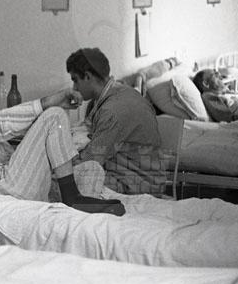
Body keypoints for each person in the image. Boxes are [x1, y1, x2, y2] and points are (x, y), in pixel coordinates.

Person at [0, 74, 125, 215]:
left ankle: (77, 209)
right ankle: (72, 198)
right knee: (54, 115)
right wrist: (49, 102)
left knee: (92, 168)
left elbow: (10, 136)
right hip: (4, 192)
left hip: (20, 185)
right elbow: (1, 125)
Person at [65, 48, 164, 195]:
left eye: (75, 80)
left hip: (136, 183)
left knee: (62, 183)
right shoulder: (115, 94)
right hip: (126, 174)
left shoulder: (113, 110)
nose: (74, 87)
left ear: (87, 76)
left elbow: (91, 159)